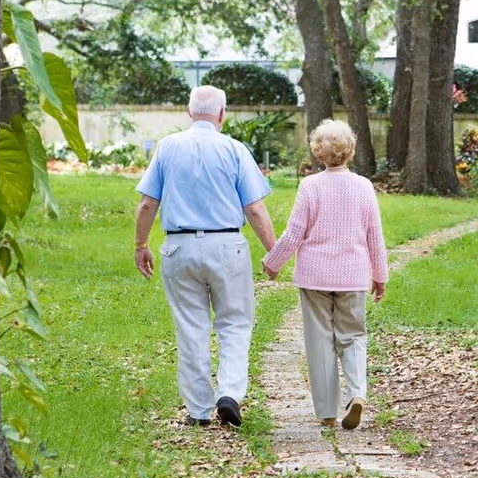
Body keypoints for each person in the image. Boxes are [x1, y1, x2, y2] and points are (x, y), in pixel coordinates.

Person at [133, 85, 276, 428]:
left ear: (189, 111)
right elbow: (255, 210)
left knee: (191, 327)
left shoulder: (167, 147)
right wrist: (275, 251)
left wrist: (141, 245)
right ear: (222, 114)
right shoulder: (234, 149)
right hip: (227, 245)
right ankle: (229, 393)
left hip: (178, 247)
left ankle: (198, 411)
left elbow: (147, 203)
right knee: (235, 323)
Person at [263, 120, 388, 430]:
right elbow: (375, 235)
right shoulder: (363, 187)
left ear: (318, 152)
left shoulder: (311, 186)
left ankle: (327, 411)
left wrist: (273, 261)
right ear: (351, 151)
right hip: (354, 275)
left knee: (319, 340)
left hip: (315, 276)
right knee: (353, 335)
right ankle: (357, 393)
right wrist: (380, 273)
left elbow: (294, 232)